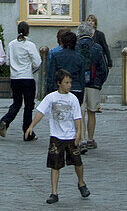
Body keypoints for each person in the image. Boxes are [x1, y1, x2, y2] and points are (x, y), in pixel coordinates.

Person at [26, 69, 90, 204]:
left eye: (70, 82)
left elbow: (77, 117)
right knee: (55, 165)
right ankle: (54, 192)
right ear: (59, 83)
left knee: (77, 162)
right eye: (66, 82)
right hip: (56, 136)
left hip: (70, 136)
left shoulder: (73, 99)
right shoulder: (51, 98)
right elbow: (40, 112)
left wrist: (79, 133)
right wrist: (31, 126)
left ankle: (81, 183)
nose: (69, 85)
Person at [0, 21, 41, 140]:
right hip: (27, 77)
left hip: (15, 78)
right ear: (28, 31)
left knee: (16, 103)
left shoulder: (12, 44)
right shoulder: (30, 45)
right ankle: (27, 132)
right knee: (29, 105)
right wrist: (30, 66)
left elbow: (7, 62)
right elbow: (37, 62)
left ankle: (5, 120)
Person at [75, 22, 107, 150]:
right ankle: (90, 138)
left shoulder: (75, 46)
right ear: (91, 33)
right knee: (92, 112)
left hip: (79, 84)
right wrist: (99, 83)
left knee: (80, 112)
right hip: (93, 84)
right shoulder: (97, 47)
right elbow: (103, 68)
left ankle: (81, 139)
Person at [45, 30, 87, 108]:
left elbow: (51, 76)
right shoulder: (80, 57)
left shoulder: (56, 56)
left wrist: (49, 92)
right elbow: (82, 78)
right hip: (76, 88)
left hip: (59, 89)